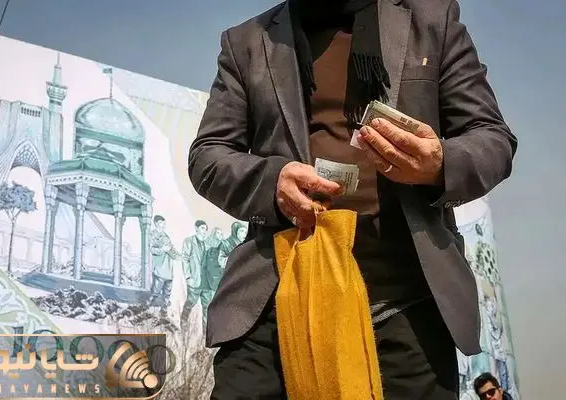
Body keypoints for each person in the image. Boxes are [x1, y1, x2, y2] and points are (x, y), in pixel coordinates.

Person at [188, 0, 517, 398]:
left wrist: (438, 164)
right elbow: (208, 156)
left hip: (408, 302)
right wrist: (273, 182)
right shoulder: (246, 41)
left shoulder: (432, 19)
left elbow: (492, 138)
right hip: (277, 296)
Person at [147, 215, 180, 310]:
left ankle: (164, 308)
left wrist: (181, 257)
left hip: (168, 267)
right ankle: (149, 307)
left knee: (167, 290)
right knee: (156, 289)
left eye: (164, 222)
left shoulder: (166, 236)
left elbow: (172, 249)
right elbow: (152, 249)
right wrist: (162, 249)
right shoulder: (152, 235)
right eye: (161, 222)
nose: (163, 224)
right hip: (159, 266)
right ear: (156, 223)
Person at [181, 220, 209, 327]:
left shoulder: (207, 243)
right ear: (196, 228)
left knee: (207, 307)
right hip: (194, 280)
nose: (204, 231)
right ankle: (183, 326)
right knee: (190, 304)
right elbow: (185, 259)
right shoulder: (189, 241)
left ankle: (205, 333)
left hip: (206, 282)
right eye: (202, 228)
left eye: (206, 229)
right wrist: (188, 277)